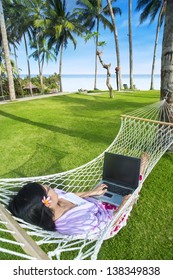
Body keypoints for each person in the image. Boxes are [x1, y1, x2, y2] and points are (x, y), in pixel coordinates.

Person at [8, 153, 149, 236]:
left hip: (96, 203)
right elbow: (107, 226)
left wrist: (93, 192)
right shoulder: (75, 224)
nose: (52, 188)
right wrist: (123, 206)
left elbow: (69, 195)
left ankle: (133, 171)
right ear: (48, 201)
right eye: (48, 187)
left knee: (113, 184)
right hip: (111, 219)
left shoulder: (53, 202)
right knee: (132, 189)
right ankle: (140, 169)